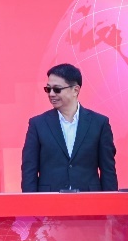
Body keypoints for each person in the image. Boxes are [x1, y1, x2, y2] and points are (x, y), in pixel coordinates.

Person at [21, 63, 118, 192]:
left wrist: (110, 202)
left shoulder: (99, 123)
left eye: (57, 89)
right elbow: (29, 170)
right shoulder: (37, 124)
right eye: (48, 89)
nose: (51, 94)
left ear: (75, 90)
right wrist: (30, 202)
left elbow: (108, 171)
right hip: (49, 200)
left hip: (89, 199)